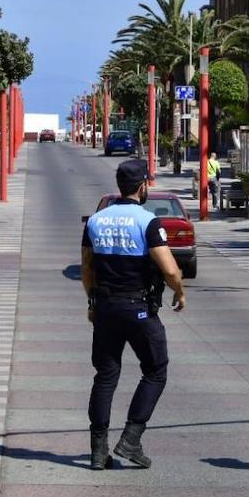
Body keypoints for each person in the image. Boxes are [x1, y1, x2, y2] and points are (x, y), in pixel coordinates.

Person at [81, 158, 186, 470]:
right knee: (156, 369)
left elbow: (87, 267)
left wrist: (92, 303)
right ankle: (131, 438)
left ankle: (98, 451)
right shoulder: (147, 221)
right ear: (143, 186)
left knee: (106, 375)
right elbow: (169, 269)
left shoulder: (96, 221)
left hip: (106, 307)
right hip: (138, 307)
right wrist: (179, 291)